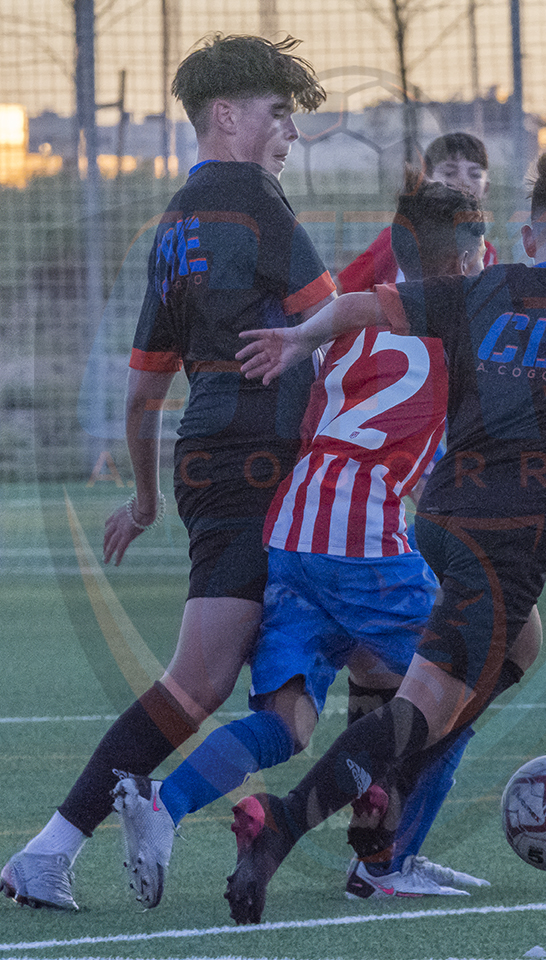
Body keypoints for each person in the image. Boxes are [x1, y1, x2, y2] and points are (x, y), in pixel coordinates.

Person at [224, 150, 546, 924]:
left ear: (530, 237)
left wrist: (300, 338)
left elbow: (363, 306)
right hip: (507, 544)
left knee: (518, 645)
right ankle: (296, 828)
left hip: (439, 520)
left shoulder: (484, 290)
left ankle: (388, 810)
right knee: (424, 709)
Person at [0, 33, 335, 912]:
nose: (290, 133)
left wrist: (148, 499)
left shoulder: (175, 223)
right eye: (277, 114)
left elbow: (145, 391)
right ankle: (54, 848)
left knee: (284, 687)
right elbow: (333, 320)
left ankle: (374, 841)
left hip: (216, 459)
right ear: (226, 116)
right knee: (202, 680)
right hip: (260, 463)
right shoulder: (255, 201)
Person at [111, 173, 510, 909]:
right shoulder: (462, 327)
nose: (487, 263)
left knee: (286, 723)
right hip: (361, 537)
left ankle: (164, 801)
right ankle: (388, 861)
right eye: (482, 252)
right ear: (462, 262)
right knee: (456, 689)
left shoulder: (347, 326)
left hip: (293, 527)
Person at [337, 132, 498, 295]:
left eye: (475, 175)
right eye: (449, 172)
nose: (463, 181)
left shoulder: (486, 253)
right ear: (427, 180)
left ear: (486, 188)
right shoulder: (399, 238)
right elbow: (341, 288)